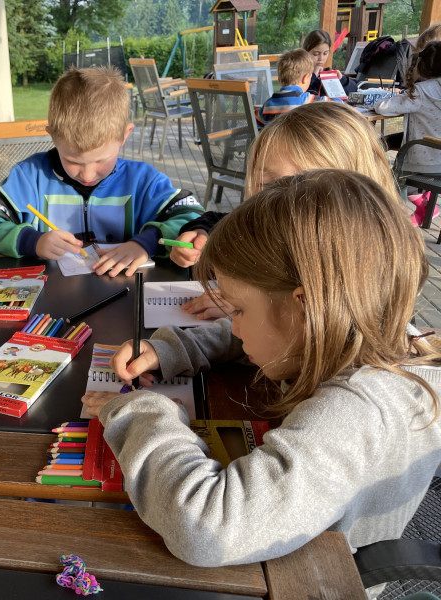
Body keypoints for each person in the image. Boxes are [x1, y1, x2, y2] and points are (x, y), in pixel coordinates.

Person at [81, 169, 441, 567]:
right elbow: (255, 334)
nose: (232, 324)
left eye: (237, 310)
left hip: (313, 580)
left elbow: (204, 528)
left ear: (304, 308)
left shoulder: (355, 414)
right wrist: (175, 348)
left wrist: (142, 413)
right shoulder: (369, 332)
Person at [0, 66, 203, 278]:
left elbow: (193, 217)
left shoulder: (143, 181)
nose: (87, 175)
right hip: (51, 299)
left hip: (126, 296)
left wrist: (146, 243)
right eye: (72, 160)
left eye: (101, 160)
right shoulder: (29, 177)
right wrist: (32, 241)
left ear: (124, 136)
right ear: (52, 136)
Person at [169, 101, 397, 307]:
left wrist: (244, 309)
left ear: (352, 196)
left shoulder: (363, 271)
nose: (275, 200)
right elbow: (219, 221)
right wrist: (201, 233)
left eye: (301, 189)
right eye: (266, 184)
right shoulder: (262, 225)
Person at [376, 40, 441, 179]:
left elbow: (383, 107)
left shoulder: (420, 92)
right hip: (438, 162)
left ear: (421, 66)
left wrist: (378, 99)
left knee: (377, 145)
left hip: (422, 163)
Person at [255, 49, 337, 127]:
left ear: (279, 79)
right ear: (305, 78)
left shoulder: (267, 105)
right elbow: (337, 105)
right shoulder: (308, 100)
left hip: (275, 137)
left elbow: (256, 120)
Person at [303, 29, 358, 97]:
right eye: (316, 54)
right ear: (306, 52)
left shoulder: (327, 73)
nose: (321, 58)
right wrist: (313, 76)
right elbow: (298, 92)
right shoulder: (298, 74)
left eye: (325, 53)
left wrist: (342, 80)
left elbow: (355, 90)